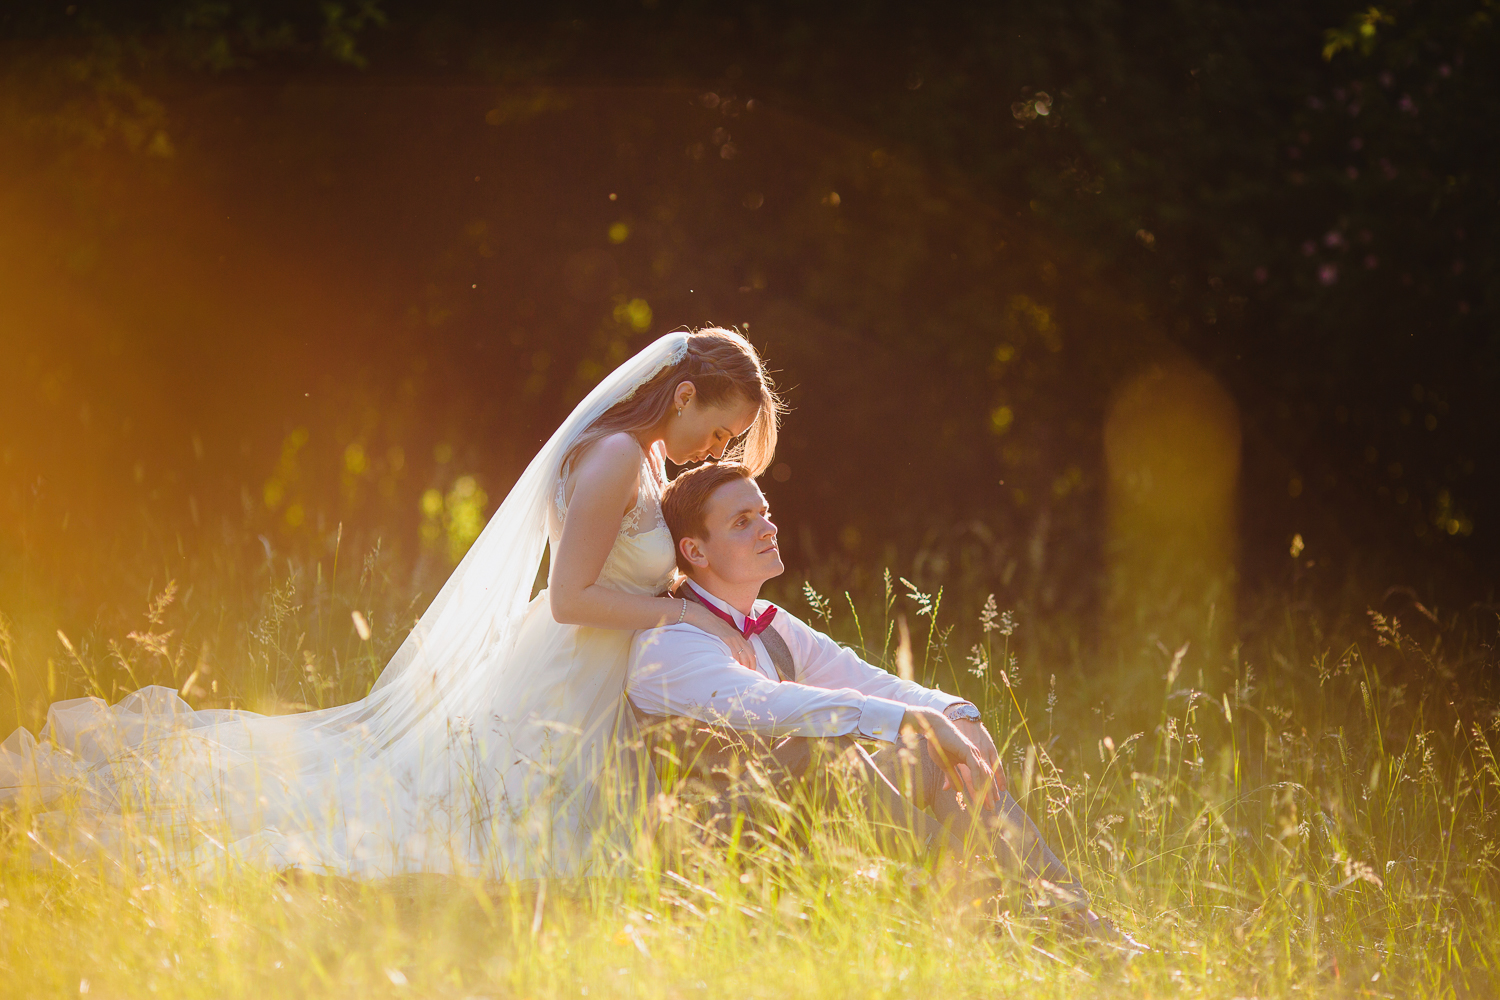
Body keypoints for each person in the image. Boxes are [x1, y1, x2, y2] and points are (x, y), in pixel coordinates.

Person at [0, 329, 782, 878]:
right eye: (719, 431)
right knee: (456, 825)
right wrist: (681, 614)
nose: (715, 453)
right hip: (565, 667)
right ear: (683, 395)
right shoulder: (615, 456)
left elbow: (625, 575)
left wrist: (691, 598)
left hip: (593, 678)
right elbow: (574, 597)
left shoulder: (641, 457)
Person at [626, 461, 1103, 922]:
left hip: (799, 825)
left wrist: (956, 713)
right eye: (742, 522)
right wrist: (913, 720)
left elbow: (865, 678)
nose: (768, 528)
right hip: (717, 855)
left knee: (933, 757)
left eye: (765, 513)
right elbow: (773, 705)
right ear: (696, 551)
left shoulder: (771, 624)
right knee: (824, 747)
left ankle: (1083, 925)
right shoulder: (669, 644)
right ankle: (984, 909)